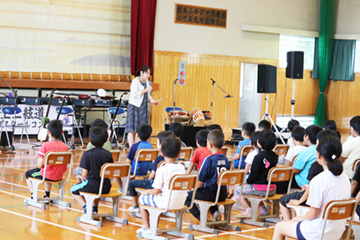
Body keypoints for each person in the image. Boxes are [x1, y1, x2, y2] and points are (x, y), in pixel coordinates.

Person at [272, 136, 351, 240]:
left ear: (319, 155)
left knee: (279, 227)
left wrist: (299, 218)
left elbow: (313, 214)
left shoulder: (319, 180)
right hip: (338, 230)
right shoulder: (345, 177)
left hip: (318, 231)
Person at [279, 129, 338, 221]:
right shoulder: (343, 175)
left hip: (318, 223)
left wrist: (299, 203)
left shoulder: (317, 173)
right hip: (335, 222)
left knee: (284, 201)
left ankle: (289, 224)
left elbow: (313, 212)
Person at [136, 137, 187, 235]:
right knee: (156, 199)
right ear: (179, 154)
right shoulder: (181, 167)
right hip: (181, 202)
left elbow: (156, 191)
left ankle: (148, 228)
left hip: (166, 202)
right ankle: (155, 227)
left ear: (162, 154)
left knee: (142, 200)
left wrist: (146, 192)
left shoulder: (162, 169)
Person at [185, 129, 230, 221]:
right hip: (222, 193)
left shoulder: (208, 159)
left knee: (186, 197)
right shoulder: (225, 159)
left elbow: (200, 183)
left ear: (209, 144)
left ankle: (202, 217)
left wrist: (193, 190)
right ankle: (214, 212)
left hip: (211, 193)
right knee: (207, 192)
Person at [127, 130, 176, 213]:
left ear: (161, 145)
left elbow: (153, 175)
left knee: (131, 183)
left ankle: (135, 206)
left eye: (157, 142)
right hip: (169, 187)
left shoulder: (159, 159)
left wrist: (149, 179)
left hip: (156, 185)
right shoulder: (176, 159)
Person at [70, 127, 113, 214]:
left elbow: (84, 175)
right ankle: (94, 208)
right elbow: (110, 172)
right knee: (96, 185)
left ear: (90, 140)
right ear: (105, 141)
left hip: (93, 186)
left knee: (73, 189)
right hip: (106, 186)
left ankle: (86, 207)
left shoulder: (87, 154)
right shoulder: (108, 154)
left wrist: (83, 180)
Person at [25, 120, 69, 199]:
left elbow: (40, 165)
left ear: (48, 132)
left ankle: (33, 195)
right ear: (62, 132)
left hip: (47, 175)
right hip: (60, 175)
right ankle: (47, 194)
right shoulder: (65, 147)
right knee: (49, 169)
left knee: (28, 174)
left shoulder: (46, 145)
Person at [239, 129, 278, 217]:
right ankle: (263, 209)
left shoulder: (258, 157)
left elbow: (254, 175)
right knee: (254, 192)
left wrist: (247, 181)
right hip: (272, 188)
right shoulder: (275, 156)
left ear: (259, 143)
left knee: (238, 191)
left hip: (260, 188)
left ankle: (248, 210)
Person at [125, 65, 158, 147]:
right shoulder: (135, 81)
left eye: (149, 73)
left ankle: (137, 147)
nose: (148, 75)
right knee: (131, 130)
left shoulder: (146, 82)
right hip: (134, 107)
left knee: (139, 130)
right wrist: (146, 90)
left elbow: (147, 95)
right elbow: (135, 94)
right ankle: (132, 147)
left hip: (143, 108)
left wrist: (153, 101)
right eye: (147, 73)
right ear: (141, 73)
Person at [292, 124, 322, 189]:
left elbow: (295, 170)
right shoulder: (323, 150)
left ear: (307, 137)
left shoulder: (306, 152)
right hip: (319, 182)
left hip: (304, 183)